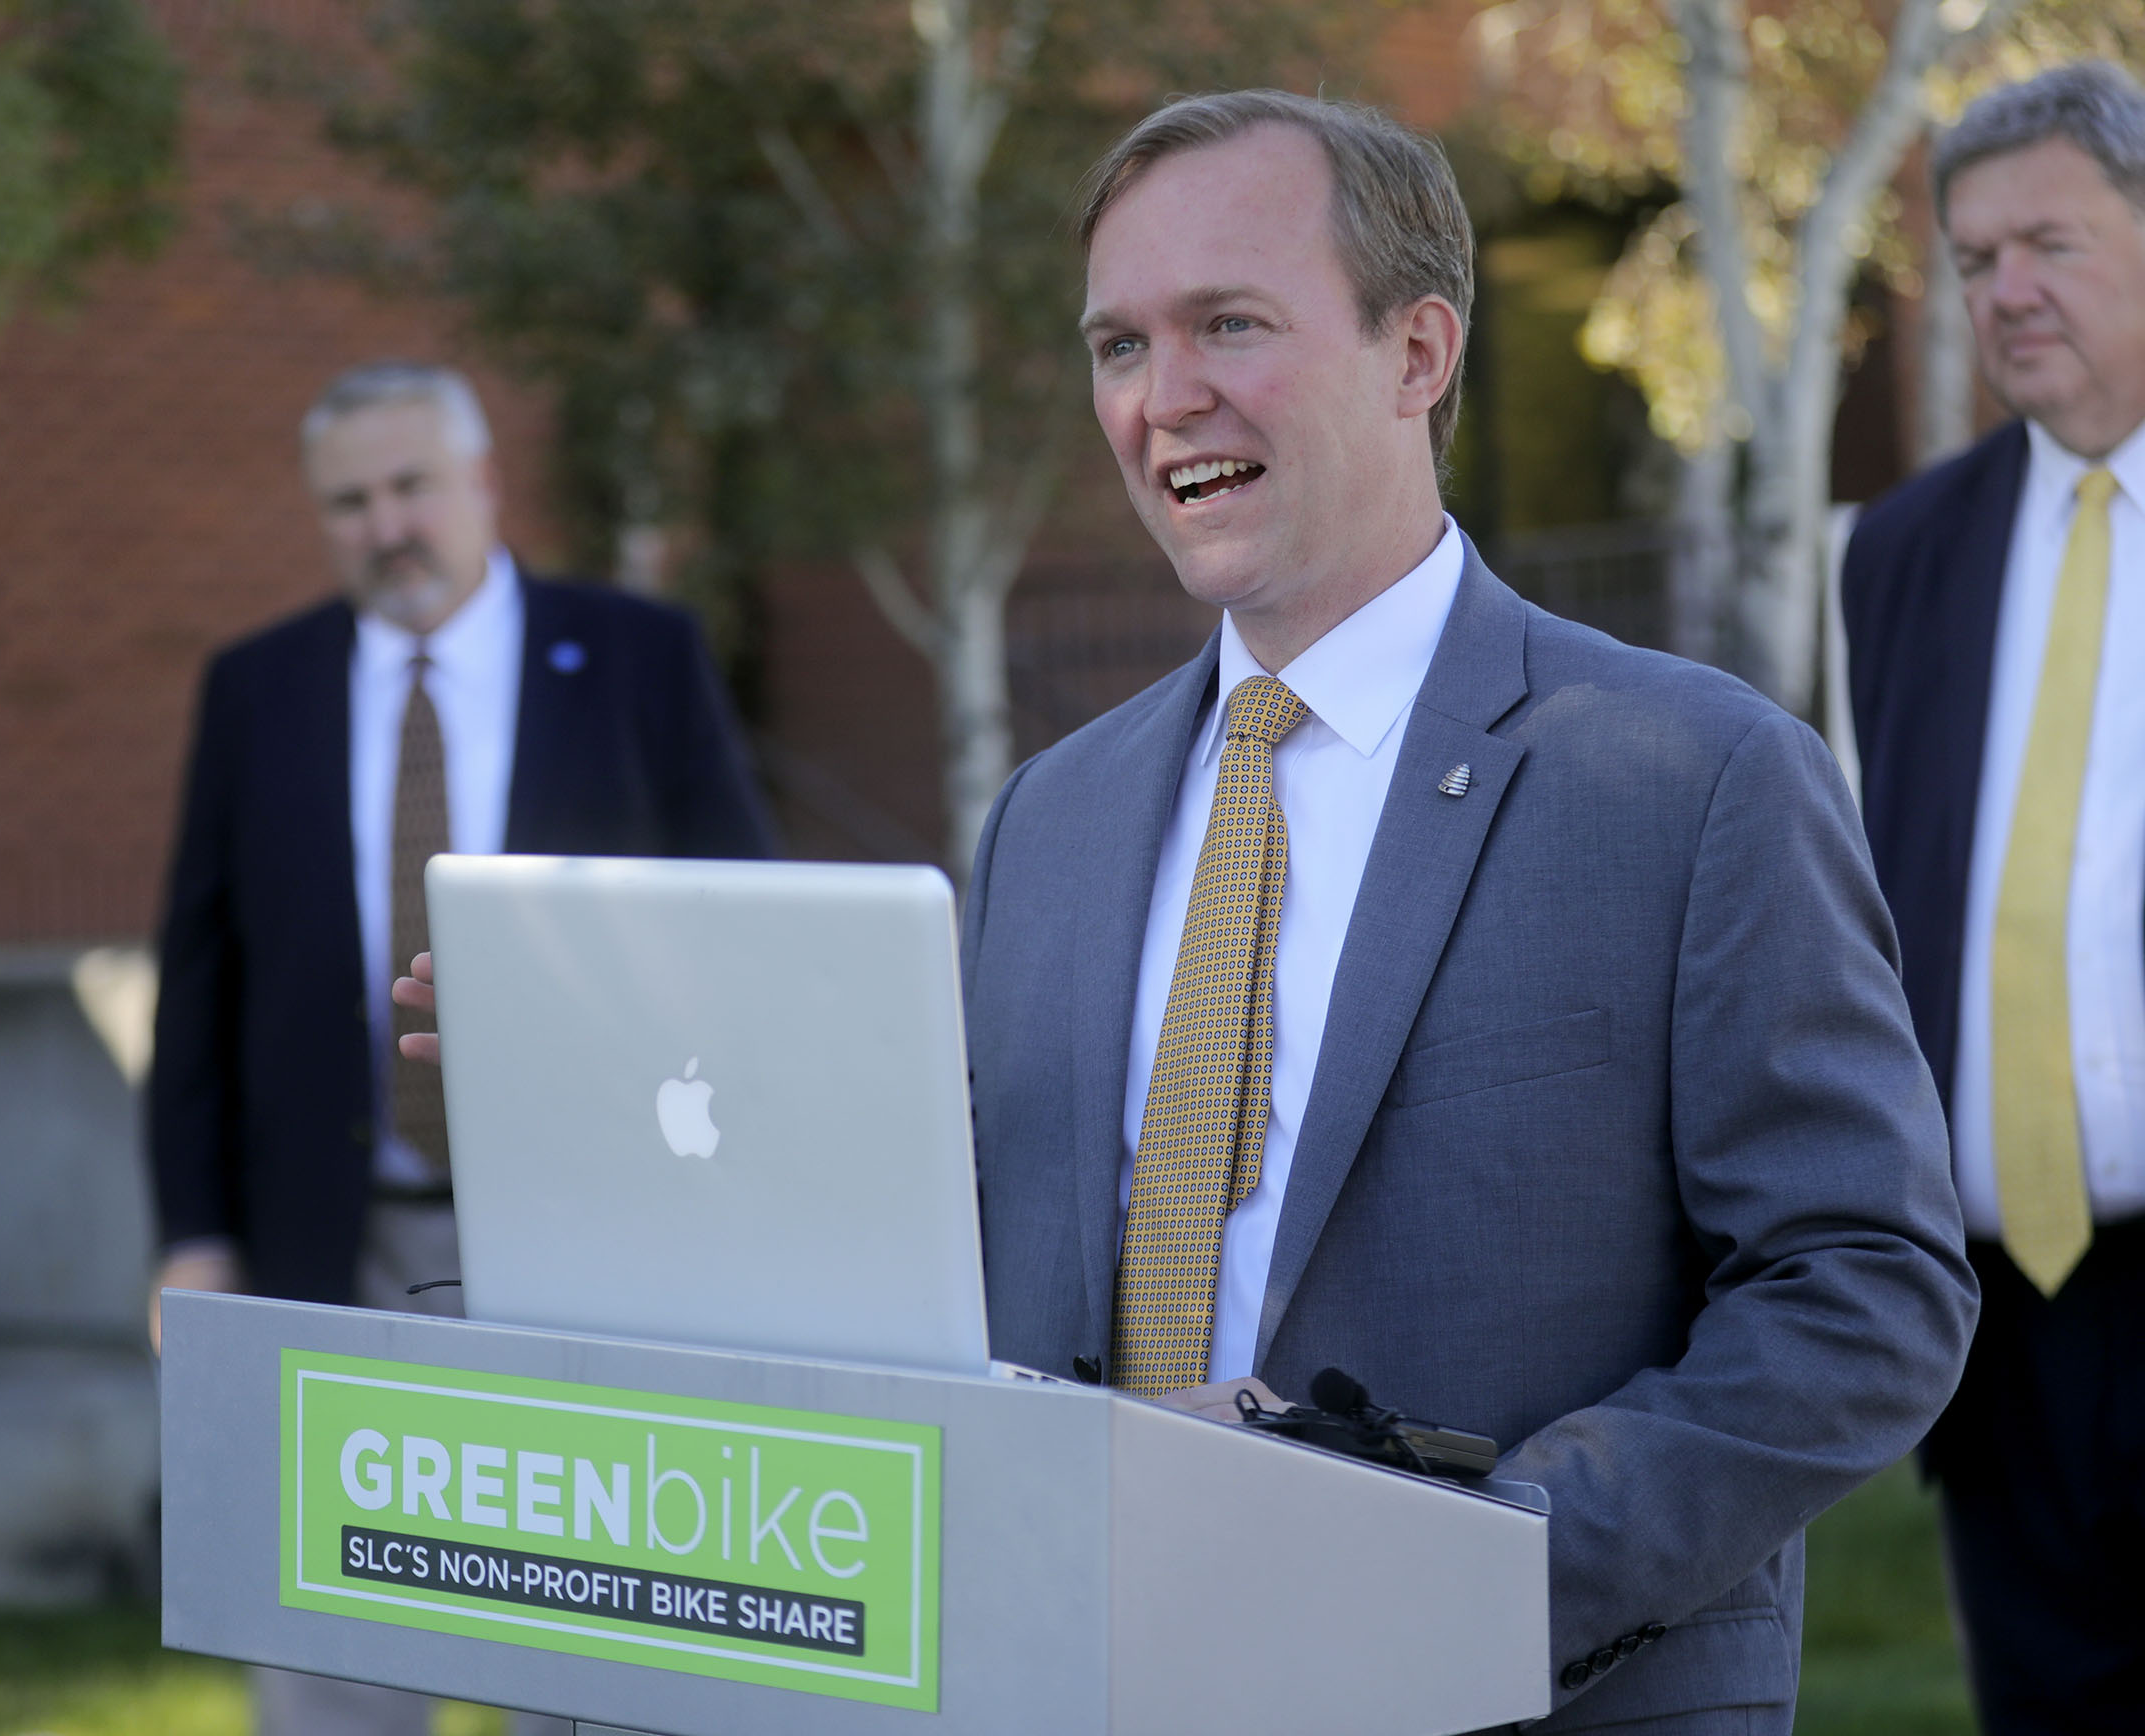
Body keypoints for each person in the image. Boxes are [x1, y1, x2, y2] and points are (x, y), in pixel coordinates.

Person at [399, 93, 1977, 1726]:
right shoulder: (1051, 819)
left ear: (1419, 353)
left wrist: (1468, 1564)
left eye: (1230, 323)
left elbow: (1862, 1285)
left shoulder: (1692, 776)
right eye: (1118, 345)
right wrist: (637, 1087)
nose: (1166, 398)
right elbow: (971, 1257)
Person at [149, 361, 771, 1736]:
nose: (387, 527)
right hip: (334, 1249)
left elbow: (736, 942)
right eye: (350, 502)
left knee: (600, 1661)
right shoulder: (260, 686)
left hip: (589, 1248)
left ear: (483, 483)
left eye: (411, 486)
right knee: (335, 1657)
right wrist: (194, 1232)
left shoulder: (635, 658)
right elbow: (200, 980)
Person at [1842, 61, 2145, 1731]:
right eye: (1971, 259)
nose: (2005, 290)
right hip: (2005, 1330)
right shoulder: (1906, 550)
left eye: (2049, 242)